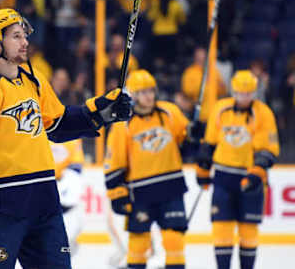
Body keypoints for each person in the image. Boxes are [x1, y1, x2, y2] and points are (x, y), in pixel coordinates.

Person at [0, 8, 132, 268]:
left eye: (24, 36)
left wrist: (99, 112)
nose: (25, 42)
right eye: (16, 36)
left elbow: (58, 124)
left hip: (44, 205)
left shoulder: (33, 81)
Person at [105, 70, 200, 269]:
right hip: (140, 193)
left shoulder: (169, 112)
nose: (149, 96)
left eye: (151, 91)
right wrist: (116, 193)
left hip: (171, 188)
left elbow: (187, 143)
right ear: (133, 95)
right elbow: (115, 162)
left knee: (174, 242)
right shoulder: (123, 124)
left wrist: (195, 134)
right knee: (138, 246)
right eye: (143, 92)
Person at [196, 70, 280, 269]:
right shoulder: (220, 109)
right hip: (224, 177)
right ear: (233, 91)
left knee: (248, 232)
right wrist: (203, 169)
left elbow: (268, 149)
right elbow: (209, 143)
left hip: (251, 176)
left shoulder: (263, 113)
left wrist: (257, 173)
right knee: (221, 229)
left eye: (248, 93)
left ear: (254, 92)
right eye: (241, 93)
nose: (244, 97)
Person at [50, 138, 84, 255]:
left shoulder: (72, 138)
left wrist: (62, 189)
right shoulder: (34, 135)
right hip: (41, 193)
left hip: (63, 195)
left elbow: (76, 168)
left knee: (67, 241)